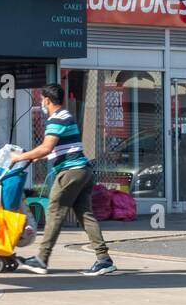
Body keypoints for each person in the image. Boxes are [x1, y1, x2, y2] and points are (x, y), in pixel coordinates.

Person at [11, 84, 115, 276]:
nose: (41, 103)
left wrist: (19, 157)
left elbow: (46, 148)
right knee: (85, 215)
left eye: (42, 100)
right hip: (83, 171)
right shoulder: (66, 116)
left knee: (54, 211)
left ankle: (41, 259)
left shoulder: (55, 119)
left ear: (47, 100)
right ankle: (104, 260)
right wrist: (32, 156)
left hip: (70, 173)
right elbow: (55, 150)